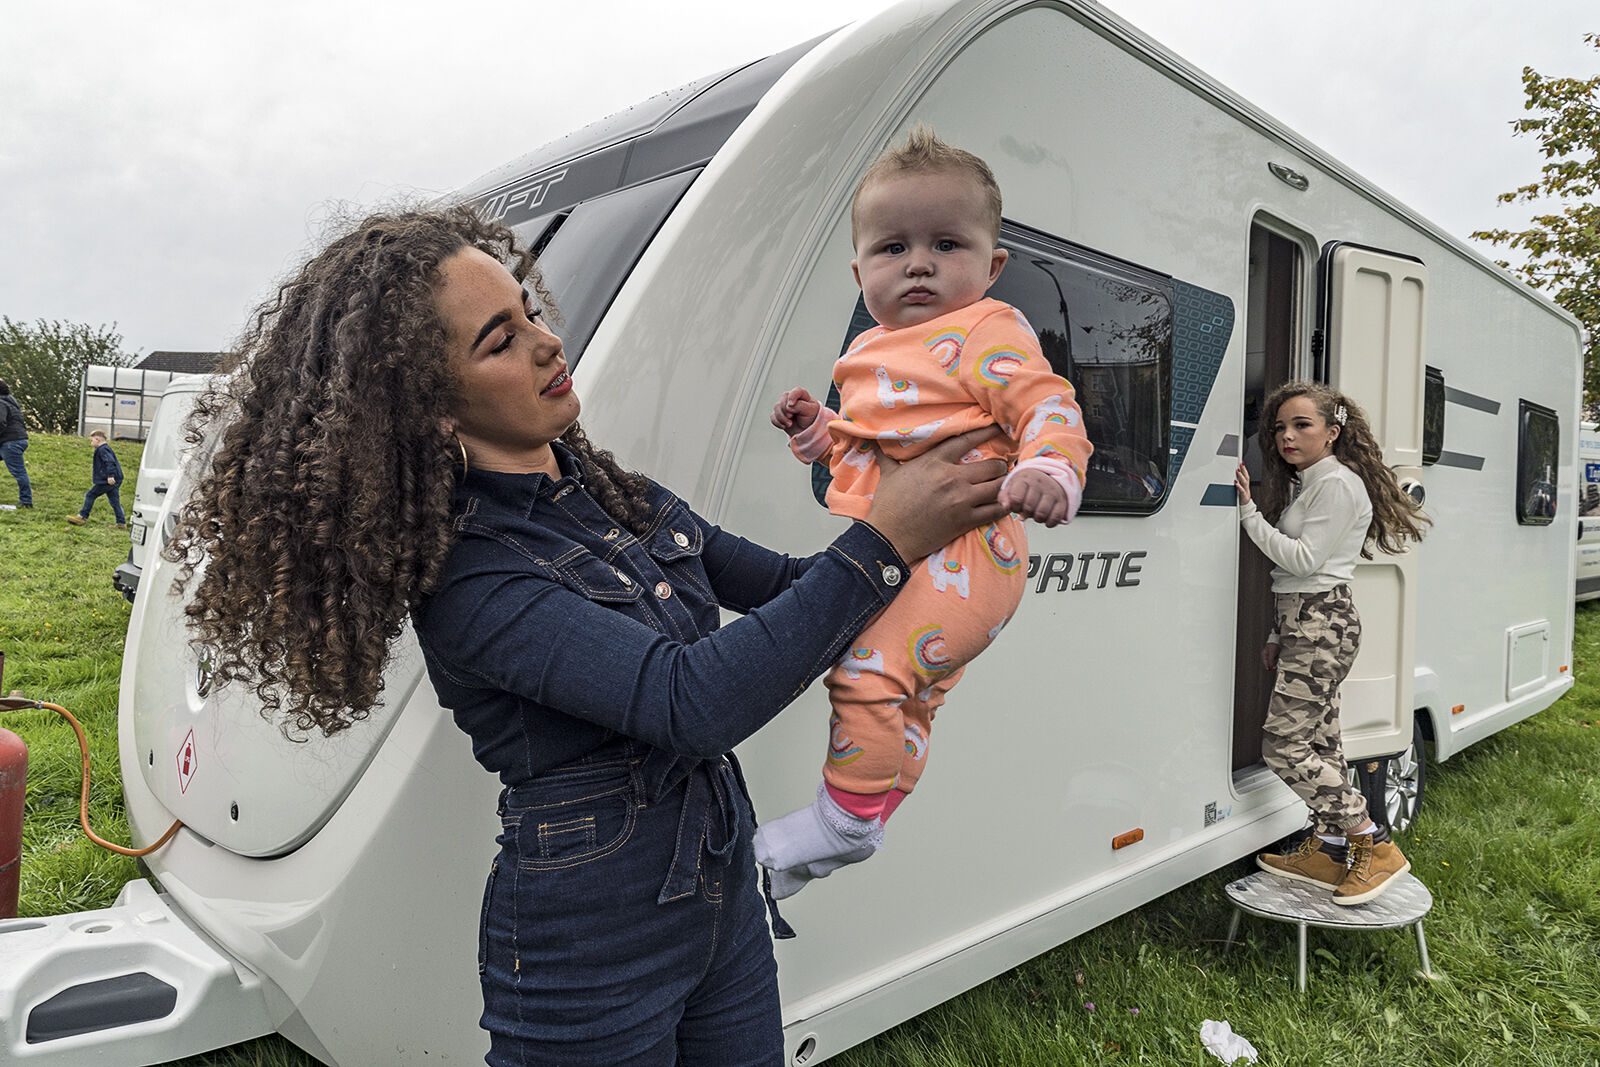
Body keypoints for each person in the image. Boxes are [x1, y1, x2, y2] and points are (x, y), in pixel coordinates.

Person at [164, 205, 1009, 1065]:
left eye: (530, 312)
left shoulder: (622, 495)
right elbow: (694, 700)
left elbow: (794, 591)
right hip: (591, 944)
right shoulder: (470, 575)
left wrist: (949, 558)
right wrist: (882, 542)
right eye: (500, 341)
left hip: (721, 885)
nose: (546, 343)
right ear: (430, 412)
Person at [753, 128, 1093, 899]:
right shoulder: (876, 348)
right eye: (892, 248)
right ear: (860, 270)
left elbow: (1046, 403)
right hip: (917, 552)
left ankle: (842, 817)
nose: (917, 263)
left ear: (992, 266)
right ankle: (873, 806)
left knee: (866, 669)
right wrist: (816, 431)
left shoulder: (983, 331)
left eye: (946, 243)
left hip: (967, 553)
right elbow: (865, 448)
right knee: (914, 694)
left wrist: (1048, 466)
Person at [1234, 381, 1429, 905]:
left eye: (1302, 425)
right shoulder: (1312, 483)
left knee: (1283, 745)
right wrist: (1278, 632)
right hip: (1305, 621)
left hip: (1322, 623)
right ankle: (1331, 847)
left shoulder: (1338, 484)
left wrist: (1249, 513)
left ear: (1333, 432)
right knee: (1320, 742)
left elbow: (1301, 560)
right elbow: (1300, 574)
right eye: (1280, 427)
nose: (1286, 436)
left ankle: (1372, 841)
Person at [66, 430, 125, 527]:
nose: (91, 443)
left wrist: (110, 476)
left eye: (92, 440)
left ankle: (82, 517)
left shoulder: (103, 449)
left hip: (109, 480)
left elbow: (110, 462)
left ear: (97, 439)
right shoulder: (105, 448)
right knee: (114, 501)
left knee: (90, 495)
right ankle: (121, 523)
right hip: (115, 479)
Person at [0, 380, 31, 509]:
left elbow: (1, 423)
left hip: (10, 442)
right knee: (19, 471)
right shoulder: (11, 402)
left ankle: (26, 501)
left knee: (19, 472)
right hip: (18, 439)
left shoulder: (1, 403)